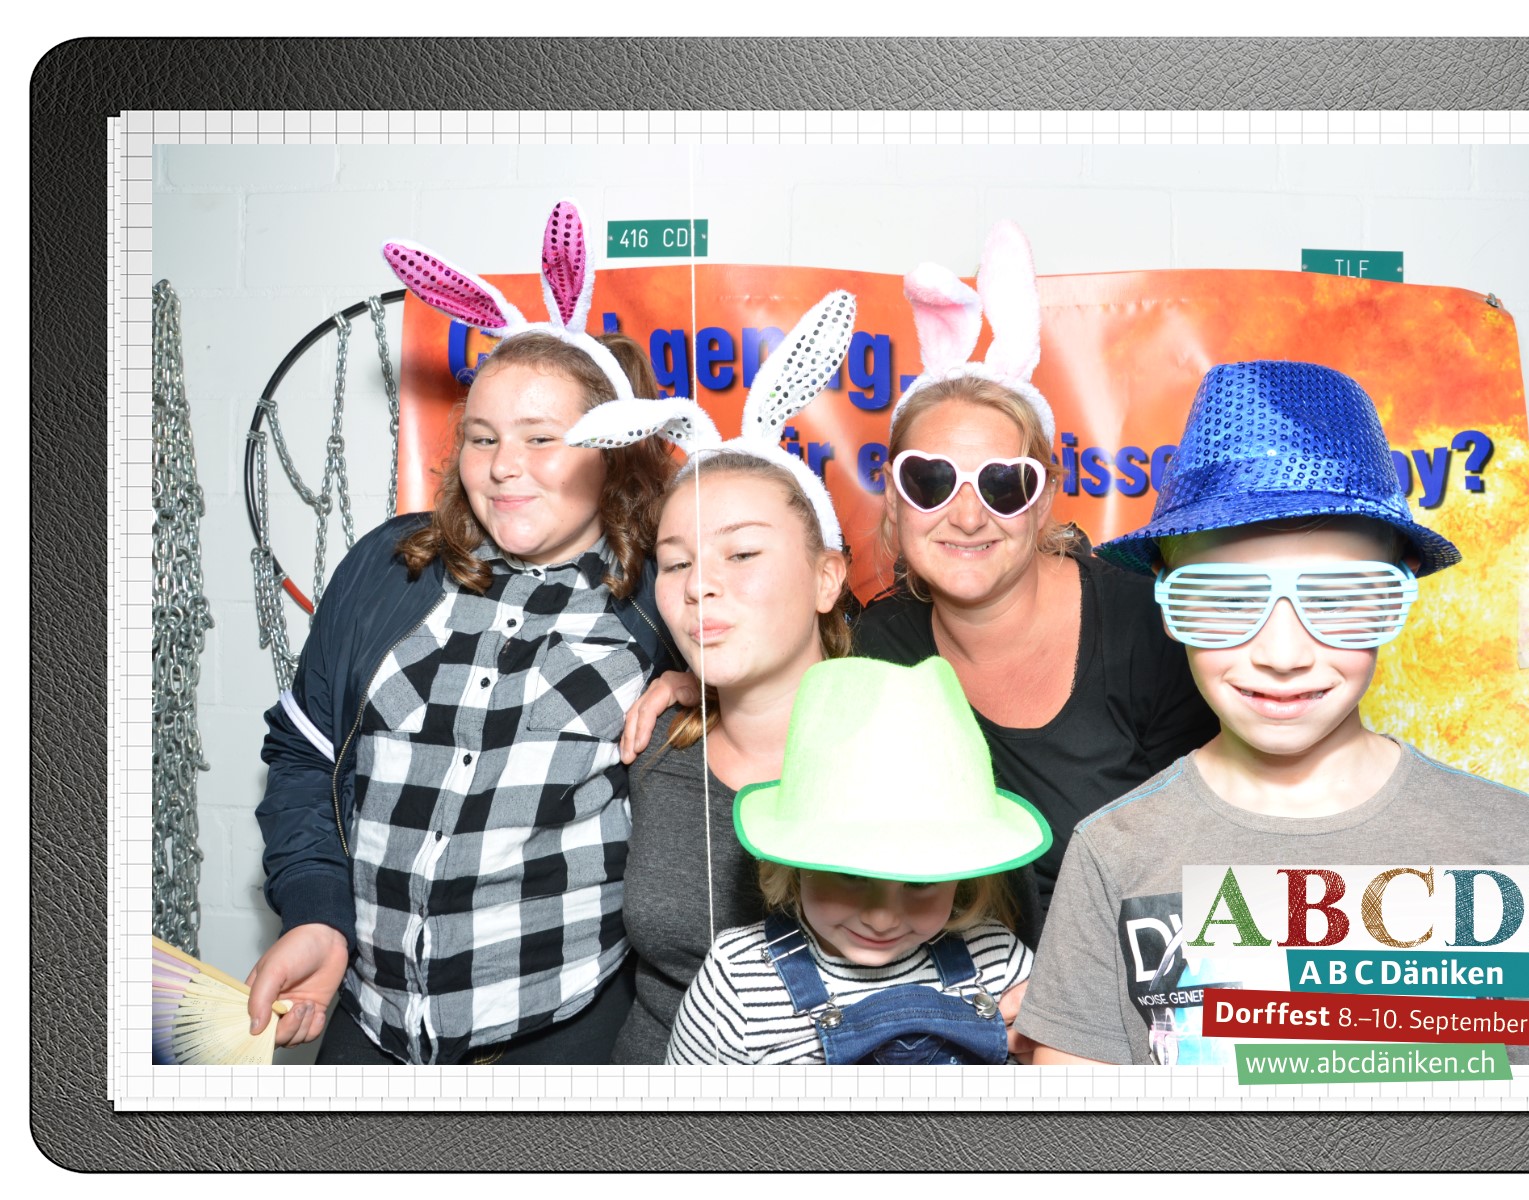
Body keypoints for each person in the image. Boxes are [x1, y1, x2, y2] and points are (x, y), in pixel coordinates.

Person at [1015, 360, 1529, 1066]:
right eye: (1226, 598)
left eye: (1339, 596)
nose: (1284, 653)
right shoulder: (1113, 854)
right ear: (1166, 595)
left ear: (1401, 587)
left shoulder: (1521, 845)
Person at [247, 201, 678, 1066]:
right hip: (365, 1036)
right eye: (482, 437)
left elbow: (808, 679)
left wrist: (710, 687)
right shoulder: (387, 570)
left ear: (611, 448)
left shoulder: (667, 597)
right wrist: (318, 914)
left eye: (542, 438)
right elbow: (302, 758)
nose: (503, 466)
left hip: (563, 1047)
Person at [853, 220, 1218, 929]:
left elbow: (1210, 869)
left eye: (1003, 484)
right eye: (931, 480)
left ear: (1044, 498)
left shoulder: (1147, 627)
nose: (967, 517)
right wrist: (698, 682)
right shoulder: (883, 644)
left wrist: (1064, 989)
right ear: (895, 497)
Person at [562, 290, 863, 1065]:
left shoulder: (903, 747)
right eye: (676, 563)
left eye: (743, 553)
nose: (699, 585)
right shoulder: (651, 743)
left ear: (826, 578)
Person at [665, 656, 1048, 1066]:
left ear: (962, 876)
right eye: (851, 875)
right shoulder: (737, 982)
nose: (881, 919)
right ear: (796, 864)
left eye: (920, 883)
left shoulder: (997, 959)